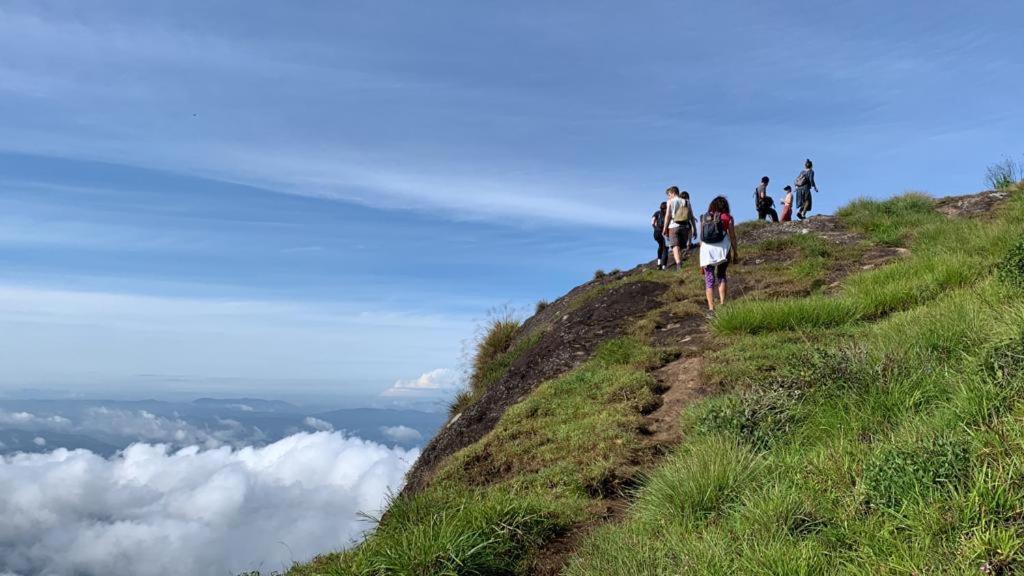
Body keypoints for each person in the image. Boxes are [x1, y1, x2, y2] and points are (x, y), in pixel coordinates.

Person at [698, 195, 738, 316]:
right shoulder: (728, 217)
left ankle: (711, 308)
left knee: (709, 279)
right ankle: (722, 303)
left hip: (706, 251)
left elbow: (701, 239)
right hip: (722, 249)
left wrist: (701, 260)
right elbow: (732, 236)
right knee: (721, 275)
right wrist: (735, 252)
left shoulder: (704, 217)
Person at [661, 186, 697, 270]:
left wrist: (664, 228)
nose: (668, 196)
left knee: (674, 245)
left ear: (673, 193)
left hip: (674, 226)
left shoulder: (670, 201)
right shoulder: (686, 201)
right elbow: (691, 216)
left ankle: (678, 264)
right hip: (685, 226)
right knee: (680, 246)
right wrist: (694, 229)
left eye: (669, 194)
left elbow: (668, 216)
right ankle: (680, 262)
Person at [652, 201, 669, 270]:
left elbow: (652, 222)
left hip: (656, 233)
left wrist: (656, 229)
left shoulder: (657, 213)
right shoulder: (668, 214)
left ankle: (659, 264)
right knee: (665, 248)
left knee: (660, 246)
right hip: (665, 233)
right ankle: (664, 266)